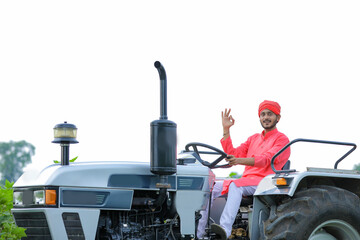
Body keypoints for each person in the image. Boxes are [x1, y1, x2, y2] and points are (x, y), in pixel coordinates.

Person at [197, 100, 291, 240]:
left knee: (236, 185)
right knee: (210, 186)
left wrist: (239, 161)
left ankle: (224, 231)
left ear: (278, 117)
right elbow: (233, 153)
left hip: (265, 182)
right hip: (247, 181)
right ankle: (197, 233)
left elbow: (266, 159)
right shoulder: (253, 138)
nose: (266, 117)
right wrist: (226, 130)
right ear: (259, 117)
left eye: (270, 114)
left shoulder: (282, 140)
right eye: (263, 114)